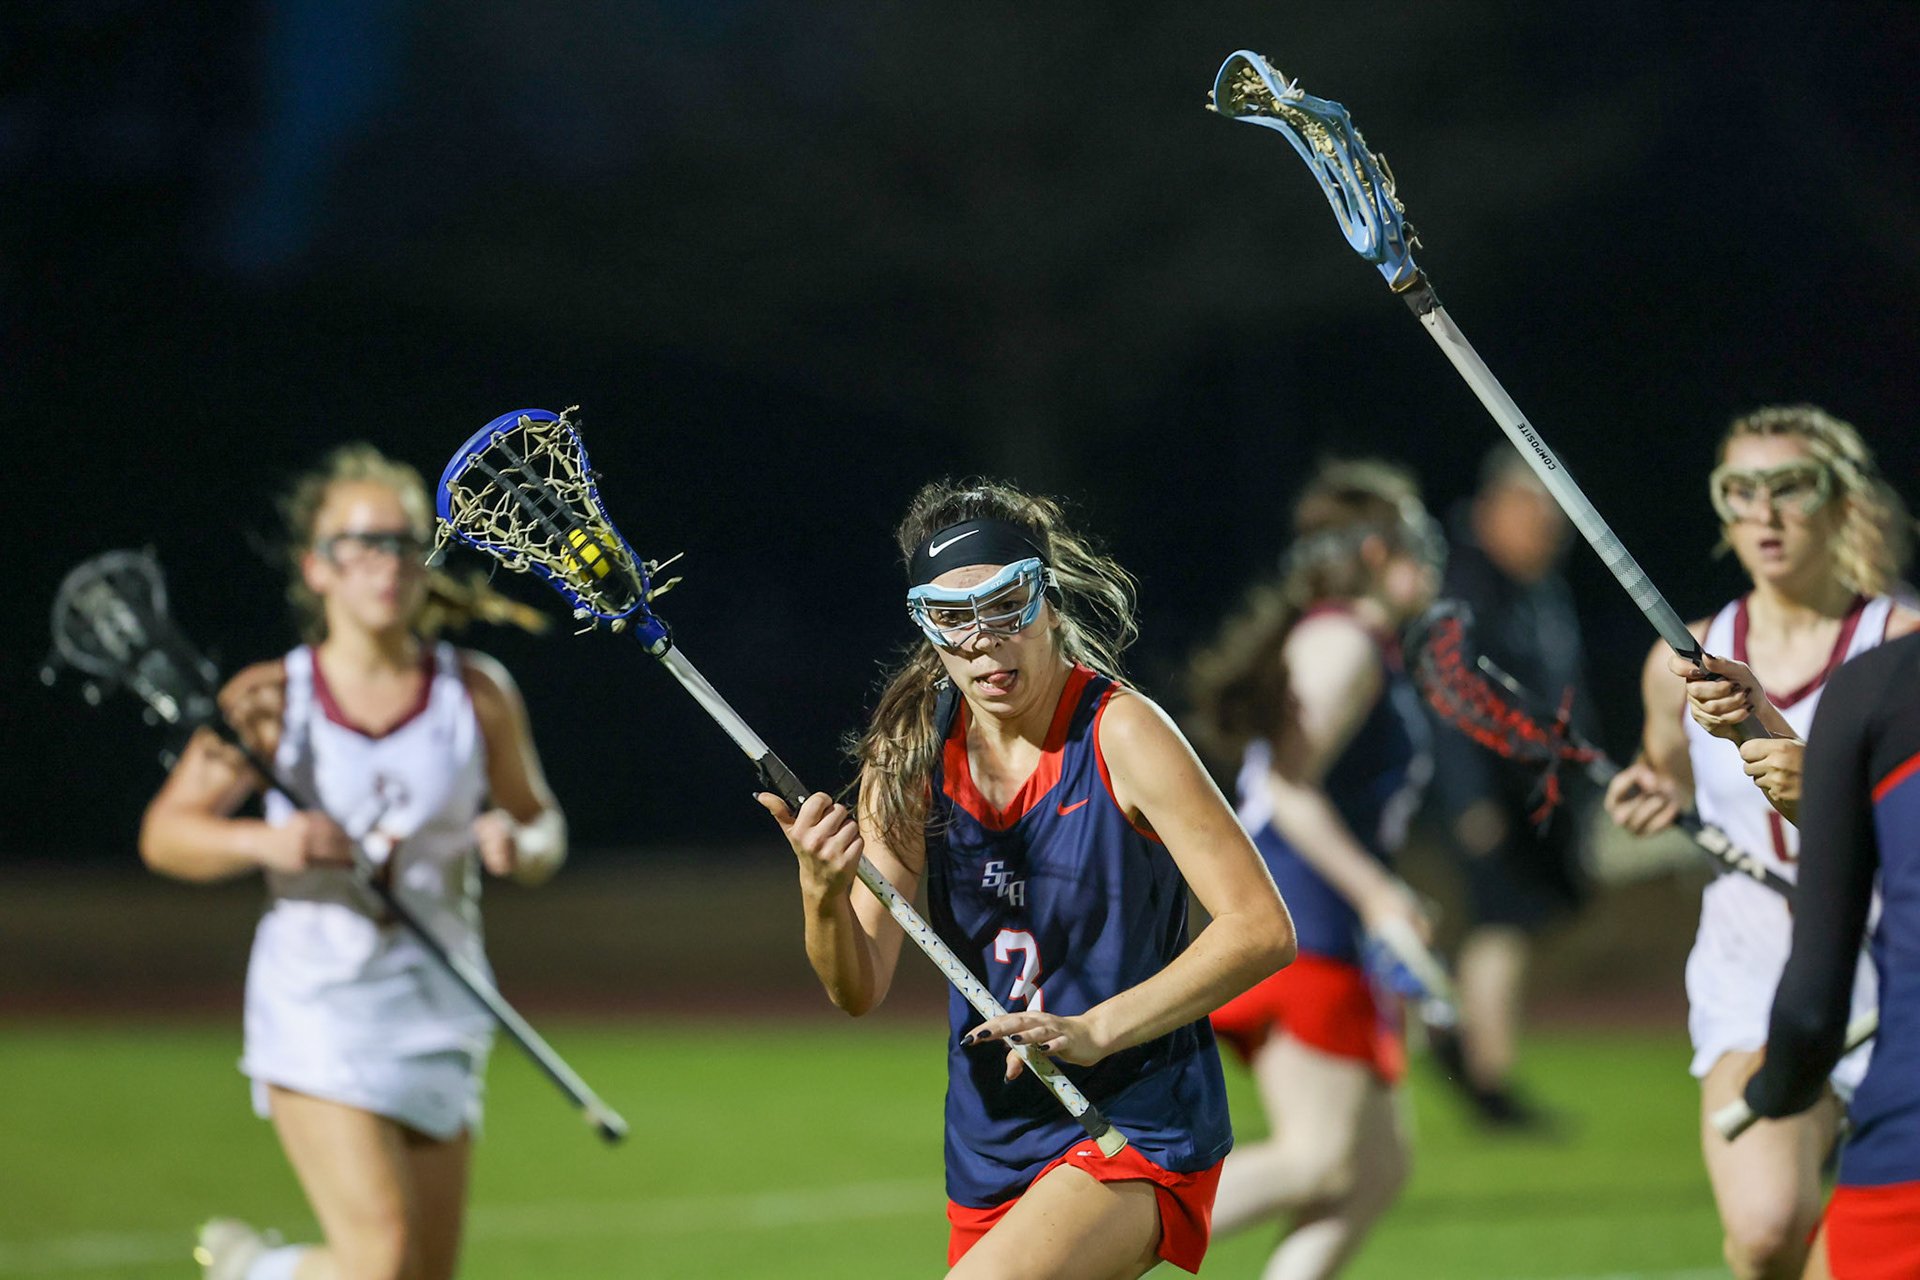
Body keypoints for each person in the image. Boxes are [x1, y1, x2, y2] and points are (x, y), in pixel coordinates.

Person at [759, 480, 1295, 1280]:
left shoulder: (1123, 733)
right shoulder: (908, 754)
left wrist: (1098, 1029)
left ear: (1047, 598)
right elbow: (858, 987)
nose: (982, 641)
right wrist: (821, 892)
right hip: (990, 1142)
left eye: (1007, 605)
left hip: (1132, 1122)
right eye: (950, 616)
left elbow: (1262, 929)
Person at [140, 445, 567, 1280]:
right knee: (380, 1262)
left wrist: (522, 846)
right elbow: (167, 833)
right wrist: (269, 841)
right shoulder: (271, 700)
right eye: (358, 543)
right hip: (318, 1008)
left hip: (443, 1005)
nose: (384, 562)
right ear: (317, 568)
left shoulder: (476, 694)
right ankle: (250, 1272)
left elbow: (543, 823)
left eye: (402, 542)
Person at [1603, 405, 1919, 1279]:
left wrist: (1822, 783)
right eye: (1741, 491)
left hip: (1891, 975)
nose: (1765, 513)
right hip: (1758, 973)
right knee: (1770, 1229)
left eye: (1790, 487)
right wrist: (1652, 789)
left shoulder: (1900, 647)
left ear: (1840, 501)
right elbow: (1662, 763)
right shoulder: (1690, 656)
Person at [1184, 459, 1441, 1280]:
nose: (1428, 560)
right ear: (1373, 553)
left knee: (1373, 1171)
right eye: (1413, 541)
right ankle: (1072, 1251)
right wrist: (1380, 895)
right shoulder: (1344, 639)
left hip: (1325, 924)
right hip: (1306, 923)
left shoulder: (1351, 638)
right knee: (1319, 1161)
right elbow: (1285, 791)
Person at [1712, 631, 1920, 1280]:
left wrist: (1773, 1090)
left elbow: (1808, 1014)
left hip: (1905, 1158)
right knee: (1765, 1226)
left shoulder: (1875, 685)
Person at [1425, 448, 1594, 1130]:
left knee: (1522, 920)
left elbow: (1565, 689)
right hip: (1490, 793)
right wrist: (1470, 797)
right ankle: (1482, 1071)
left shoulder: (1539, 587)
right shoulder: (1466, 584)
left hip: (1538, 791)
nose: (1550, 533)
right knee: (1502, 921)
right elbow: (1451, 696)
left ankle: (1458, 1039)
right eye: (1537, 516)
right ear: (1496, 510)